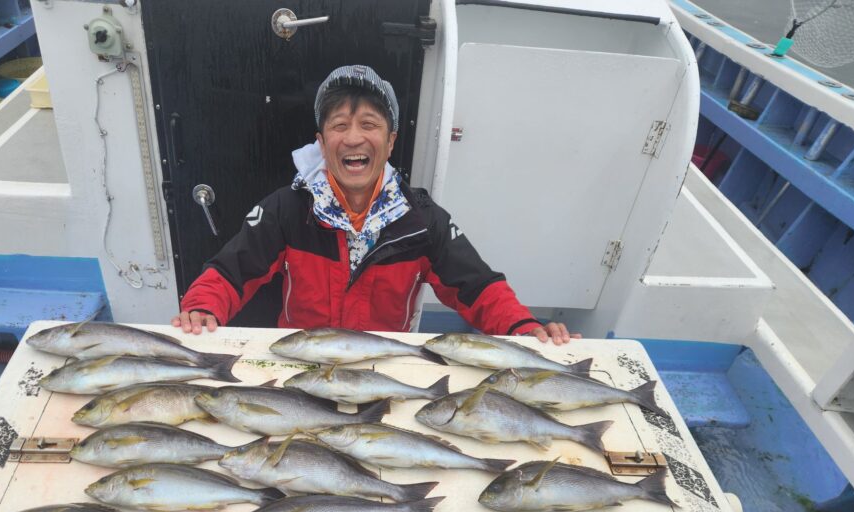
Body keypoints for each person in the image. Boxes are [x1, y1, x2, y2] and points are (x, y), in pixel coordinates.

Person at [173, 64, 578, 345]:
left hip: (384, 366)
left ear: (390, 142)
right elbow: (230, 272)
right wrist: (201, 309)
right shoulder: (287, 209)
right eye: (339, 126)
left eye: (369, 124)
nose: (353, 138)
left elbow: (478, 287)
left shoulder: (423, 222)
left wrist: (524, 327)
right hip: (302, 359)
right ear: (321, 141)